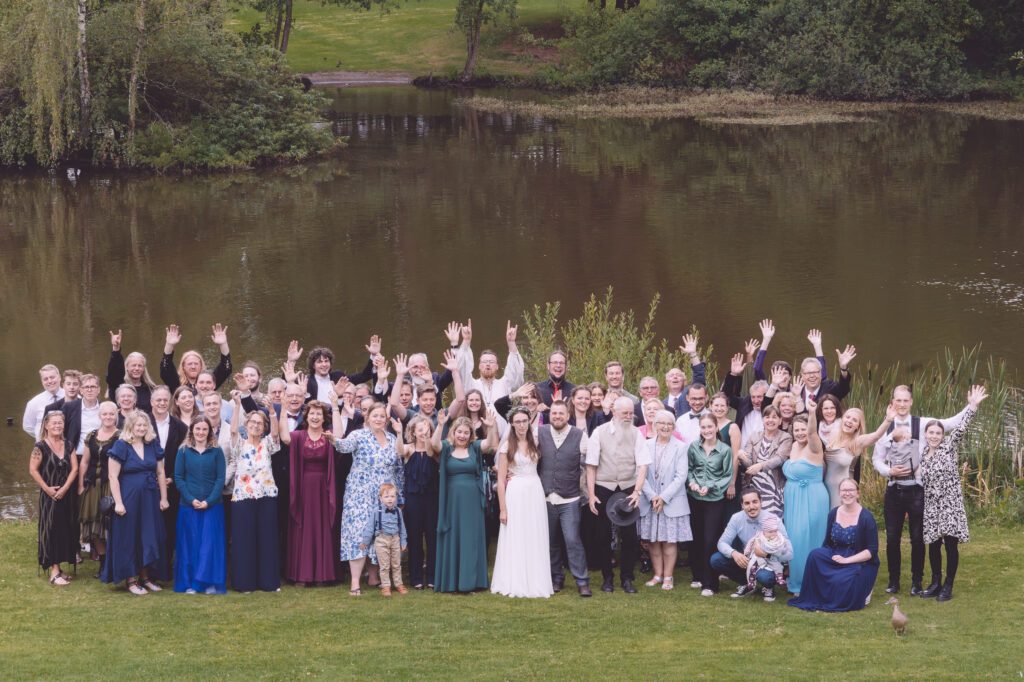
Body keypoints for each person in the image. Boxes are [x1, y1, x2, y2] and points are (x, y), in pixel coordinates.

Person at [871, 385, 976, 596]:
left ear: (911, 402)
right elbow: (876, 458)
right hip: (894, 489)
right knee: (892, 538)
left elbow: (950, 423)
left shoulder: (923, 423)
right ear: (892, 402)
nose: (901, 404)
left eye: (905, 400)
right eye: (898, 400)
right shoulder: (886, 426)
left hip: (917, 491)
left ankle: (917, 582)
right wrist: (888, 470)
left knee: (918, 538)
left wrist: (971, 405)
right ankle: (893, 581)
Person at [919, 385, 987, 601]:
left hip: (950, 505)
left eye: (938, 432)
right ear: (926, 434)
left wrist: (972, 407)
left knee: (950, 544)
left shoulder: (948, 447)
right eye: (931, 432)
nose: (935, 436)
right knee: (933, 545)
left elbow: (961, 429)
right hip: (931, 506)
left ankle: (948, 585)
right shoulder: (922, 454)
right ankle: (935, 582)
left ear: (942, 435)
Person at [332, 400, 405, 596]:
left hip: (384, 495)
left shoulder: (392, 438)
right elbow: (343, 446)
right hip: (359, 494)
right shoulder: (358, 435)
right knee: (359, 532)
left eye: (382, 416)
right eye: (375, 415)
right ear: (367, 417)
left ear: (386, 419)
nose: (379, 419)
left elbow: (398, 468)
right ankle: (355, 582)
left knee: (380, 533)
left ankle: (374, 577)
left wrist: (400, 497)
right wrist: (333, 439)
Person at [586, 397, 650, 594]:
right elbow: (591, 465)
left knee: (630, 537)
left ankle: (627, 578)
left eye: (631, 413)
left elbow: (643, 464)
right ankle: (607, 578)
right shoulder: (599, 432)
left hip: (628, 488)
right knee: (603, 536)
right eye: (625, 413)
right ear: (614, 412)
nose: (629, 417)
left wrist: (637, 491)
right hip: (604, 487)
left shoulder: (636, 433)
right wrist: (591, 494)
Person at [102, 410, 169, 595]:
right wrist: (118, 503)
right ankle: (131, 579)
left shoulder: (152, 444)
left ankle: (145, 577)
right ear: (130, 426)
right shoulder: (121, 445)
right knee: (130, 537)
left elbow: (161, 473)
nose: (141, 428)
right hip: (129, 499)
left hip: (150, 498)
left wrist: (163, 498)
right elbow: (112, 476)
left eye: (144, 425)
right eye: (138, 425)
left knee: (148, 536)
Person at [788, 479, 879, 612]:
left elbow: (871, 551)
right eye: (844, 490)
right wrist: (828, 560)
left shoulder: (866, 517)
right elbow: (828, 543)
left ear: (858, 493)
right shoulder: (834, 513)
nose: (847, 493)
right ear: (839, 493)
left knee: (842, 581)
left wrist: (846, 560)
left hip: (858, 560)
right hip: (836, 554)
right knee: (815, 555)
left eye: (851, 490)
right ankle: (813, 593)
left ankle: (865, 590)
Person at [491, 406, 553, 599]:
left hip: (534, 491)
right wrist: (503, 508)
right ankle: (514, 579)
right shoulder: (506, 447)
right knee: (516, 535)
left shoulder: (537, 442)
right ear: (511, 423)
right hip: (515, 492)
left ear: (529, 422)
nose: (521, 425)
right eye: (517, 421)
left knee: (534, 534)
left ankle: (536, 580)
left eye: (524, 421)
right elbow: (501, 480)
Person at [433, 413, 498, 593]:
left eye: (466, 433)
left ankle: (471, 581)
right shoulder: (446, 447)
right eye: (459, 432)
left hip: (472, 501)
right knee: (453, 536)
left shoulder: (474, 448)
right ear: (453, 432)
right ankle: (452, 580)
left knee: (470, 538)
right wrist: (439, 426)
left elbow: (490, 444)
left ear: (471, 435)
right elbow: (434, 445)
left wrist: (491, 428)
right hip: (452, 501)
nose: (462, 436)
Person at [536, 400, 591, 597]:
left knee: (572, 539)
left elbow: (590, 462)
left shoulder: (579, 435)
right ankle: (556, 577)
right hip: (546, 497)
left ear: (568, 416)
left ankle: (582, 580)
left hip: (570, 498)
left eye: (561, 413)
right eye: (554, 414)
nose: (557, 416)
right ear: (550, 416)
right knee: (551, 541)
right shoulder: (540, 432)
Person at [279, 400, 337, 586]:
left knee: (321, 526)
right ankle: (302, 575)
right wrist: (282, 409)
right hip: (303, 487)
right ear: (307, 416)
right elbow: (284, 437)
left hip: (323, 488)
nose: (315, 417)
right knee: (302, 527)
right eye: (312, 413)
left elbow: (341, 436)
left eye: (318, 414)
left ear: (323, 417)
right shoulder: (298, 436)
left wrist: (335, 406)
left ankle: (322, 574)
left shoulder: (329, 436)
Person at [228, 392, 281, 593]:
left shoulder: (267, 444)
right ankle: (244, 583)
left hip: (267, 495)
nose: (256, 426)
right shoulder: (240, 443)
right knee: (244, 540)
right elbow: (233, 430)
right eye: (253, 422)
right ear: (246, 424)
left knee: (267, 539)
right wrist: (237, 405)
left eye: (260, 423)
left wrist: (271, 412)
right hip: (243, 497)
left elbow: (275, 435)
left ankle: (269, 582)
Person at [173, 415, 226, 594]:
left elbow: (220, 479)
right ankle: (190, 583)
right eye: (198, 429)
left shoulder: (216, 451)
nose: (201, 432)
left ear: (209, 431)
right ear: (192, 430)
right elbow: (179, 478)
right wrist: (191, 499)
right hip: (189, 506)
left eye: (204, 429)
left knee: (210, 546)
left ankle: (209, 582)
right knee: (190, 546)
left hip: (212, 506)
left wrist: (208, 501)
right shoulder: (183, 451)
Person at [638, 410, 691, 591]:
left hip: (672, 501)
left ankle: (668, 577)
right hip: (650, 500)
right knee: (653, 541)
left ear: (674, 427)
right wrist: (652, 495)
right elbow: (640, 473)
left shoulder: (681, 447)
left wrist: (663, 497)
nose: (665, 427)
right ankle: (657, 575)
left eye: (669, 424)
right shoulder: (645, 445)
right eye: (662, 423)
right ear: (655, 425)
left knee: (669, 541)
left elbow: (681, 475)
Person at [711, 488, 793, 601]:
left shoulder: (773, 520)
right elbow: (722, 543)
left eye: (755, 502)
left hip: (769, 563)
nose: (751, 507)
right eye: (747, 503)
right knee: (716, 560)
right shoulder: (736, 518)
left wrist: (766, 555)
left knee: (765, 577)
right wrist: (734, 553)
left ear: (761, 502)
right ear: (742, 505)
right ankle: (747, 584)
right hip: (748, 559)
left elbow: (790, 554)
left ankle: (768, 587)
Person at [781, 407, 830, 595]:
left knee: (808, 538)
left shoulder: (814, 446)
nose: (800, 433)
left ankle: (813, 582)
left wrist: (811, 413)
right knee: (794, 539)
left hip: (812, 498)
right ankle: (797, 580)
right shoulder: (794, 446)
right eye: (797, 430)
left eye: (803, 429)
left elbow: (811, 432)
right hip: (793, 500)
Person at [29, 411, 79, 586]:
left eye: (60, 423)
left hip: (66, 495)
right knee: (51, 530)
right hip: (49, 497)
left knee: (66, 529)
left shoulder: (69, 445)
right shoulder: (40, 447)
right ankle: (54, 571)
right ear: (46, 425)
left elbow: (74, 469)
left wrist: (65, 488)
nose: (57, 426)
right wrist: (47, 489)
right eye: (54, 423)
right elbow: (33, 470)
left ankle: (60, 568)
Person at [687, 413, 734, 596]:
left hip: (714, 500)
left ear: (716, 428)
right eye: (703, 427)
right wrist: (692, 482)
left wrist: (711, 486)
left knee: (710, 540)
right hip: (694, 498)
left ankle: (710, 583)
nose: (706, 430)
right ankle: (697, 576)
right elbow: (690, 469)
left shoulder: (725, 450)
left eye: (709, 427)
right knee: (696, 538)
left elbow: (727, 475)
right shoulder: (694, 447)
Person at [391, 414, 440, 590]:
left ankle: (433, 576)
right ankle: (416, 577)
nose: (423, 432)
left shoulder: (434, 448)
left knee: (433, 538)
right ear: (412, 431)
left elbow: (429, 452)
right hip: (413, 499)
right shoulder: (409, 449)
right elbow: (399, 451)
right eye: (419, 429)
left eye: (426, 429)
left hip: (432, 498)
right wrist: (398, 433)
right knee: (414, 538)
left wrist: (427, 438)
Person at [822, 404, 894, 507]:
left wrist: (888, 419)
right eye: (847, 417)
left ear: (857, 427)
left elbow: (876, 435)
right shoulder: (832, 436)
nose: (850, 421)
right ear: (842, 419)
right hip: (825, 489)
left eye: (855, 420)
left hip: (843, 492)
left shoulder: (857, 442)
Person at [150, 386, 187, 567]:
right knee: (150, 526)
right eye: (158, 400)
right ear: (152, 402)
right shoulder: (143, 423)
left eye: (165, 400)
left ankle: (165, 567)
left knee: (169, 526)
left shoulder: (180, 427)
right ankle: (150, 567)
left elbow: (183, 456)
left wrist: (171, 477)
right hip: (148, 483)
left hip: (172, 483)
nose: (162, 403)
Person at [78, 402, 119, 563]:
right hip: (93, 486)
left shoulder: (122, 436)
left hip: (111, 485)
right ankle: (103, 562)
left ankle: (113, 562)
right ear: (99, 416)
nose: (108, 417)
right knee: (94, 525)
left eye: (111, 414)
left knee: (110, 525)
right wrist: (81, 485)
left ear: (116, 415)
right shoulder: (91, 435)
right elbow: (85, 462)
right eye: (105, 414)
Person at [736, 406, 792, 518]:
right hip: (753, 487)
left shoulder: (785, 437)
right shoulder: (754, 436)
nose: (770, 420)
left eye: (774, 417)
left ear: (780, 420)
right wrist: (741, 455)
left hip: (773, 488)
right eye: (767, 417)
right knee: (753, 522)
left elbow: (780, 459)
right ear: (763, 419)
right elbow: (748, 464)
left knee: (770, 524)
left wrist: (761, 466)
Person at [454, 319, 525, 408]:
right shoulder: (471, 384)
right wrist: (466, 341)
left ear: (497, 367)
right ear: (479, 366)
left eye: (491, 362)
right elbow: (461, 369)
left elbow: (516, 373)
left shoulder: (505, 384)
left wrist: (511, 343)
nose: (488, 364)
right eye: (484, 362)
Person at [290, 336, 378, 404]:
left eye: (326, 361)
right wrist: (291, 361)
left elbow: (364, 376)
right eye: (319, 362)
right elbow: (286, 385)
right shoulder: (306, 381)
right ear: (313, 365)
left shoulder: (338, 376)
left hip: (337, 416)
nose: (324, 364)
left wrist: (373, 355)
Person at [360, 483, 408, 596]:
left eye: (392, 496)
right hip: (381, 540)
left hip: (395, 539)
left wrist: (403, 541)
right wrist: (365, 542)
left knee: (396, 564)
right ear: (381, 498)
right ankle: (386, 586)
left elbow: (402, 528)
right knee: (384, 565)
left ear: (396, 497)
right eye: (386, 497)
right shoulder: (377, 512)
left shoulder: (398, 511)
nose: (390, 499)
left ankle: (398, 584)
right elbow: (370, 528)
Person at [160, 323, 232, 393]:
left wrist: (223, 344)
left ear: (201, 366)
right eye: (189, 364)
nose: (193, 366)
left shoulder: (208, 382)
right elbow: (166, 368)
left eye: (196, 364)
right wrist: (169, 345)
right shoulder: (176, 384)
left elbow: (226, 368)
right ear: (183, 366)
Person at [106, 330, 157, 412]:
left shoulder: (151, 389)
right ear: (126, 367)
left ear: (144, 368)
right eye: (133, 365)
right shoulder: (118, 386)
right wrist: (116, 349)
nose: (137, 368)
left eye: (140, 366)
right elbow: (113, 373)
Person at [662, 334, 709, 415]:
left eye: (678, 375)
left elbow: (699, 377)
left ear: (685, 381)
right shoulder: (661, 404)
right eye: (671, 375)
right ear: (666, 382)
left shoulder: (691, 395)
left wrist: (693, 354)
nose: (675, 377)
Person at [742, 515, 789, 595]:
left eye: (775, 531)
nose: (773, 534)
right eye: (770, 532)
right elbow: (751, 543)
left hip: (773, 558)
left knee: (777, 566)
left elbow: (783, 548)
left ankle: (779, 578)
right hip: (759, 558)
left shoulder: (779, 538)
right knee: (752, 567)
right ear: (764, 531)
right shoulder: (759, 537)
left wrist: (781, 551)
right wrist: (747, 551)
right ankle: (751, 582)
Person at [710, 391, 742, 503]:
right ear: (710, 406)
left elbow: (736, 457)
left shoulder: (732, 427)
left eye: (722, 405)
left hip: (728, 478)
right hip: (712, 479)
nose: (719, 408)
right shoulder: (707, 427)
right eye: (716, 405)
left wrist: (732, 483)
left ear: (728, 408)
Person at [23, 364, 64, 439]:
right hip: (44, 446)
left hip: (68, 446)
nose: (49, 381)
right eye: (45, 379)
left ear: (59, 377)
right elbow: (28, 427)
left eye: (52, 377)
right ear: (42, 381)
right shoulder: (33, 403)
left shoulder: (74, 398)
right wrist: (42, 437)